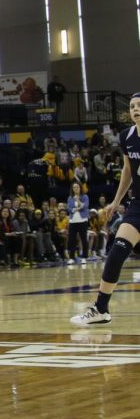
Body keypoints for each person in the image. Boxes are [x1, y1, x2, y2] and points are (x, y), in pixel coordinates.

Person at [71, 94, 140, 326]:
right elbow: (128, 170)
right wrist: (115, 200)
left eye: (139, 106)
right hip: (138, 205)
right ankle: (101, 308)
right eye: (132, 107)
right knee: (117, 251)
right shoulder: (127, 137)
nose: (135, 109)